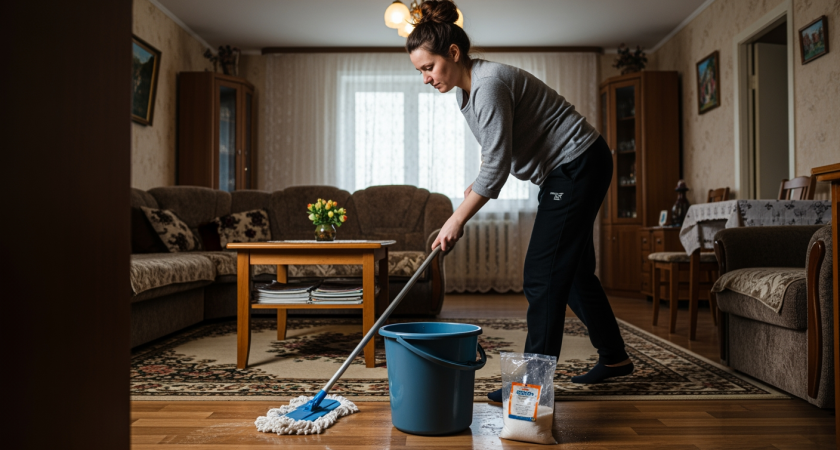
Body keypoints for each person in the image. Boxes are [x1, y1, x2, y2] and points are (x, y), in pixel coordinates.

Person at [406, 0, 634, 402]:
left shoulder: (489, 84)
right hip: (567, 169)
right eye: (420, 71)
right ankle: (614, 358)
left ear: (453, 54)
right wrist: (475, 186)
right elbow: (498, 155)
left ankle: (530, 388)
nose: (425, 78)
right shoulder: (467, 91)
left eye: (428, 67)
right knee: (574, 272)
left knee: (542, 275)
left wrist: (456, 219)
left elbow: (496, 167)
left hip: (577, 164)